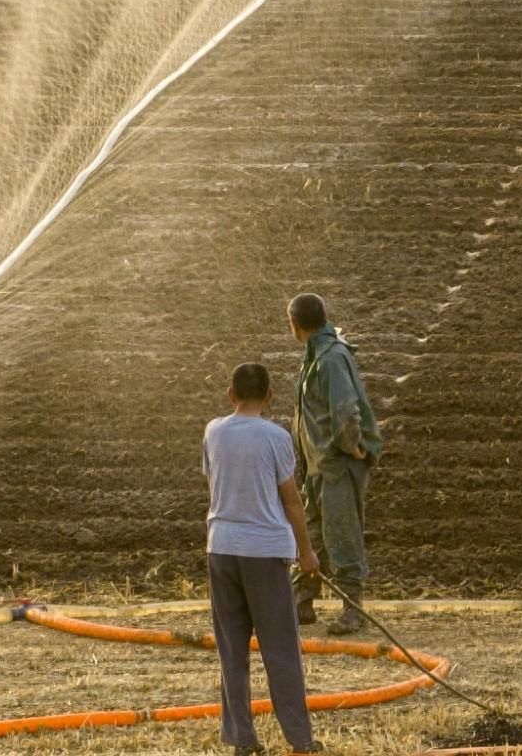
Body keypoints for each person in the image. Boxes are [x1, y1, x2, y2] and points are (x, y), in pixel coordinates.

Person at [203, 362, 325, 756]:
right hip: (266, 552)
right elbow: (291, 499)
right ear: (271, 396)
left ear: (230, 395)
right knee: (281, 649)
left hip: (221, 548)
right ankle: (300, 740)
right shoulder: (277, 436)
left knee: (232, 650)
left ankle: (242, 740)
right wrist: (306, 553)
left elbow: (214, 487)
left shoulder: (213, 431)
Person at [287, 293, 382, 634]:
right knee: (312, 533)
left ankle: (352, 611)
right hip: (318, 463)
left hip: (336, 463)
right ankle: (302, 601)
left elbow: (345, 410)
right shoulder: (317, 354)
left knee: (342, 533)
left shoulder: (331, 358)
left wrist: (352, 446)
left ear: (294, 325)